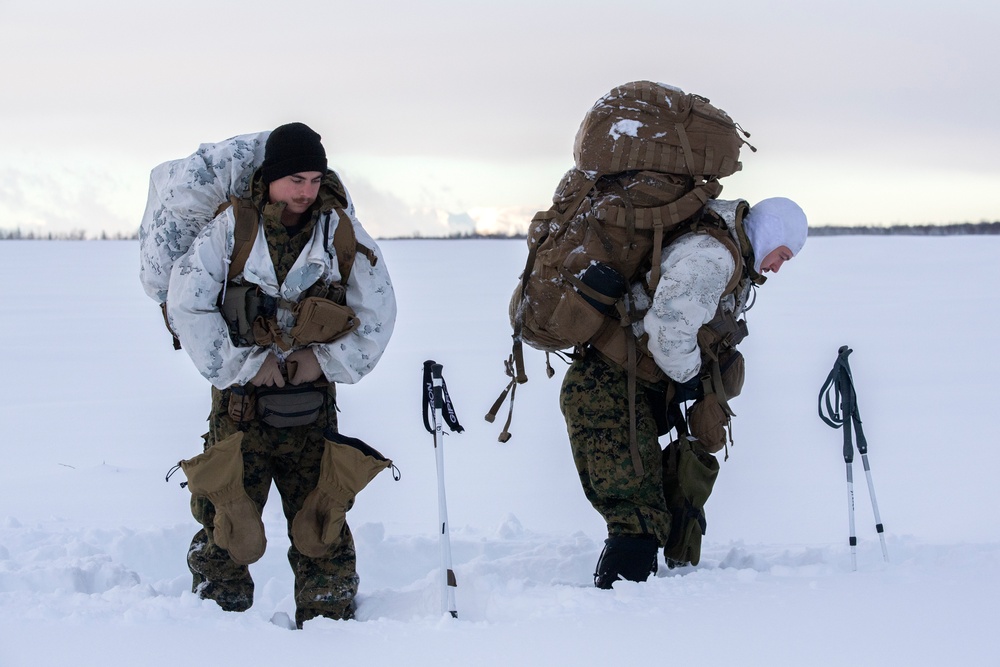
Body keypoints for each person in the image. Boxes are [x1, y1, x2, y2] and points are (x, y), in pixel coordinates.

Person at [165, 122, 397, 626]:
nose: (305, 191)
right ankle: (214, 635)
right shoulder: (232, 230)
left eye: (315, 179)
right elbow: (190, 305)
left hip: (311, 412)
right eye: (295, 179)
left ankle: (331, 634)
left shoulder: (339, 232)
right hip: (240, 412)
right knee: (229, 526)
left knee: (322, 527)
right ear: (270, 177)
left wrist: (322, 360)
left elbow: (378, 314)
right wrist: (248, 365)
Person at [558, 196, 807, 588]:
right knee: (637, 514)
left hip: (623, 387)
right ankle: (615, 615)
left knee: (645, 509)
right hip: (605, 389)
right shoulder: (714, 259)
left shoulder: (729, 259)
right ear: (770, 234)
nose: (777, 267)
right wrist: (690, 374)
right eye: (783, 255)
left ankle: (626, 606)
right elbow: (669, 329)